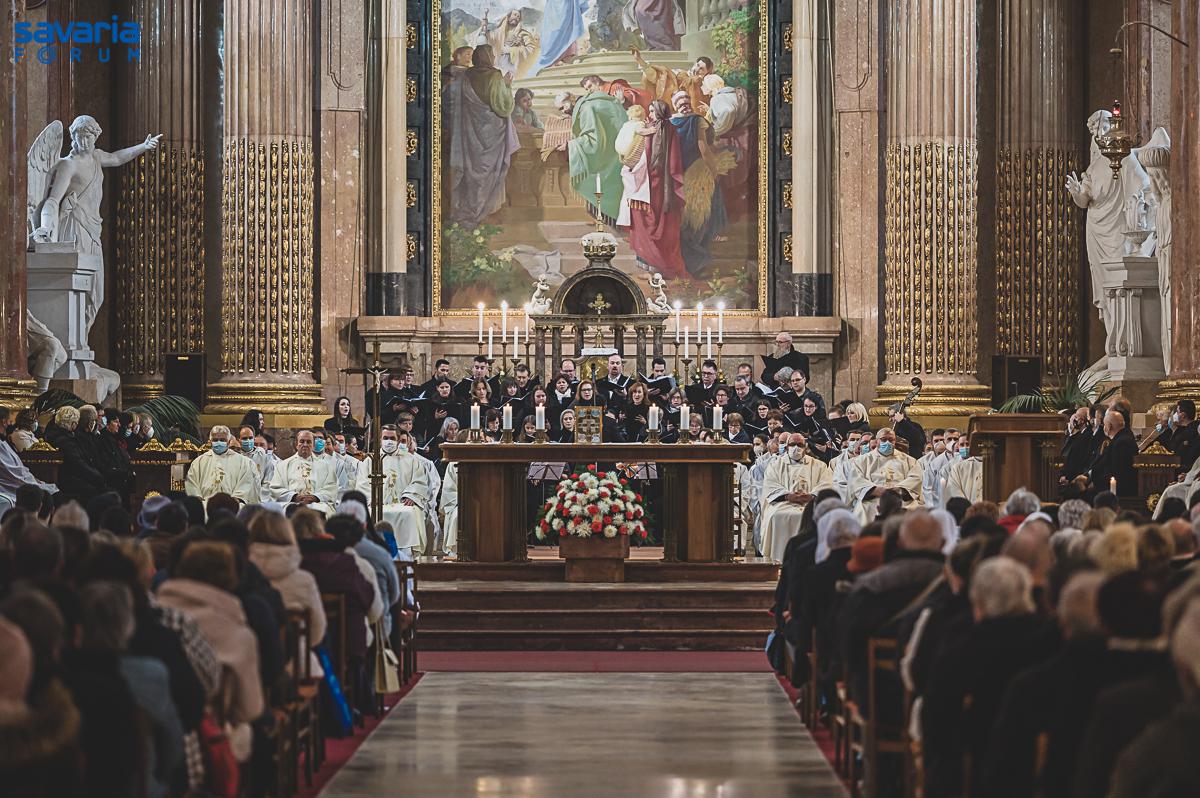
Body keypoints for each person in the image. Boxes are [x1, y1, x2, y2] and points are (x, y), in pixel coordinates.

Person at [446, 44, 519, 228]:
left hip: (471, 133)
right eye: (492, 55)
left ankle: (470, 211)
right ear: (487, 57)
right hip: (492, 134)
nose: (494, 58)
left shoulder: (467, 75)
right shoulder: (494, 76)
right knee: (489, 173)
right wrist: (506, 86)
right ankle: (481, 213)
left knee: (472, 172)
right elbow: (503, 107)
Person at [618, 99, 688, 278]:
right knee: (659, 221)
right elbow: (672, 162)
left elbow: (646, 160)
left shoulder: (653, 130)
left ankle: (652, 265)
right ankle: (655, 266)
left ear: (659, 112)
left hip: (651, 183)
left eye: (652, 111)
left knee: (643, 219)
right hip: (664, 184)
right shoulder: (670, 129)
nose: (649, 115)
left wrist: (629, 172)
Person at [759, 433, 835, 562]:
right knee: (776, 516)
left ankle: (812, 560)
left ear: (805, 447)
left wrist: (812, 495)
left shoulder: (819, 465)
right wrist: (788, 495)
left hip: (811, 503)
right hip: (784, 503)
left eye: (800, 445)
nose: (796, 448)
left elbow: (827, 483)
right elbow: (770, 484)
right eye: (792, 444)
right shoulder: (775, 465)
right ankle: (778, 560)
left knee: (820, 516)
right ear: (787, 447)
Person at [563, 75, 628, 223]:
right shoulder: (613, 103)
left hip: (607, 158)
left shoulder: (589, 105)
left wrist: (571, 145)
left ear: (598, 83)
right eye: (586, 89)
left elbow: (592, 140)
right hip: (615, 159)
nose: (589, 91)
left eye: (590, 87)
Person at [354, 426, 429, 555]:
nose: (388, 441)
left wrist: (411, 495)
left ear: (399, 440)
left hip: (403, 504)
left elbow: (419, 481)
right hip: (376, 504)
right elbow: (362, 484)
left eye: (392, 438)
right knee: (370, 514)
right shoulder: (370, 461)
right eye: (385, 438)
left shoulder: (411, 460)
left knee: (410, 514)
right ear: (380, 439)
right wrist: (371, 498)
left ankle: (406, 555)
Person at [848, 428, 925, 522]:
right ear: (877, 441)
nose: (887, 442)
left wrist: (899, 489)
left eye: (891, 440)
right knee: (863, 510)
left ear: (895, 441)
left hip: (901, 499)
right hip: (873, 500)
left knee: (914, 510)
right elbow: (856, 480)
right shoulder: (862, 461)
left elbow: (916, 478)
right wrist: (876, 490)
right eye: (883, 439)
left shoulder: (910, 461)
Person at [184, 425, 260, 506]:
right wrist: (200, 502)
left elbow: (246, 485)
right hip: (205, 505)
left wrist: (234, 501)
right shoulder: (198, 462)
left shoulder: (244, 462)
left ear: (229, 441)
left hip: (233, 506)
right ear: (210, 441)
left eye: (222, 440)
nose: (218, 442)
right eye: (215, 440)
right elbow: (192, 485)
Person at [269, 429, 340, 515]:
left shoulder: (326, 467)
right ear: (296, 444)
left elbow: (331, 488)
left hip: (317, 503)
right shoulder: (283, 465)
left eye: (309, 442)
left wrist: (316, 497)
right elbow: (275, 488)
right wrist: (294, 496)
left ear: (313, 445)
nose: (305, 444)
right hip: (291, 503)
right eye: (302, 441)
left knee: (323, 510)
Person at [1089, 409, 1138, 497]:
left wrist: (1095, 483)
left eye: (1104, 425)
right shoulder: (1122, 437)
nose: (1104, 427)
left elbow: (1116, 471)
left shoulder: (1121, 443)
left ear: (1109, 426)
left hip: (1120, 491)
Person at [944, 435, 982, 504]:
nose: (965, 447)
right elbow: (954, 492)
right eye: (962, 445)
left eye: (967, 444)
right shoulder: (957, 468)